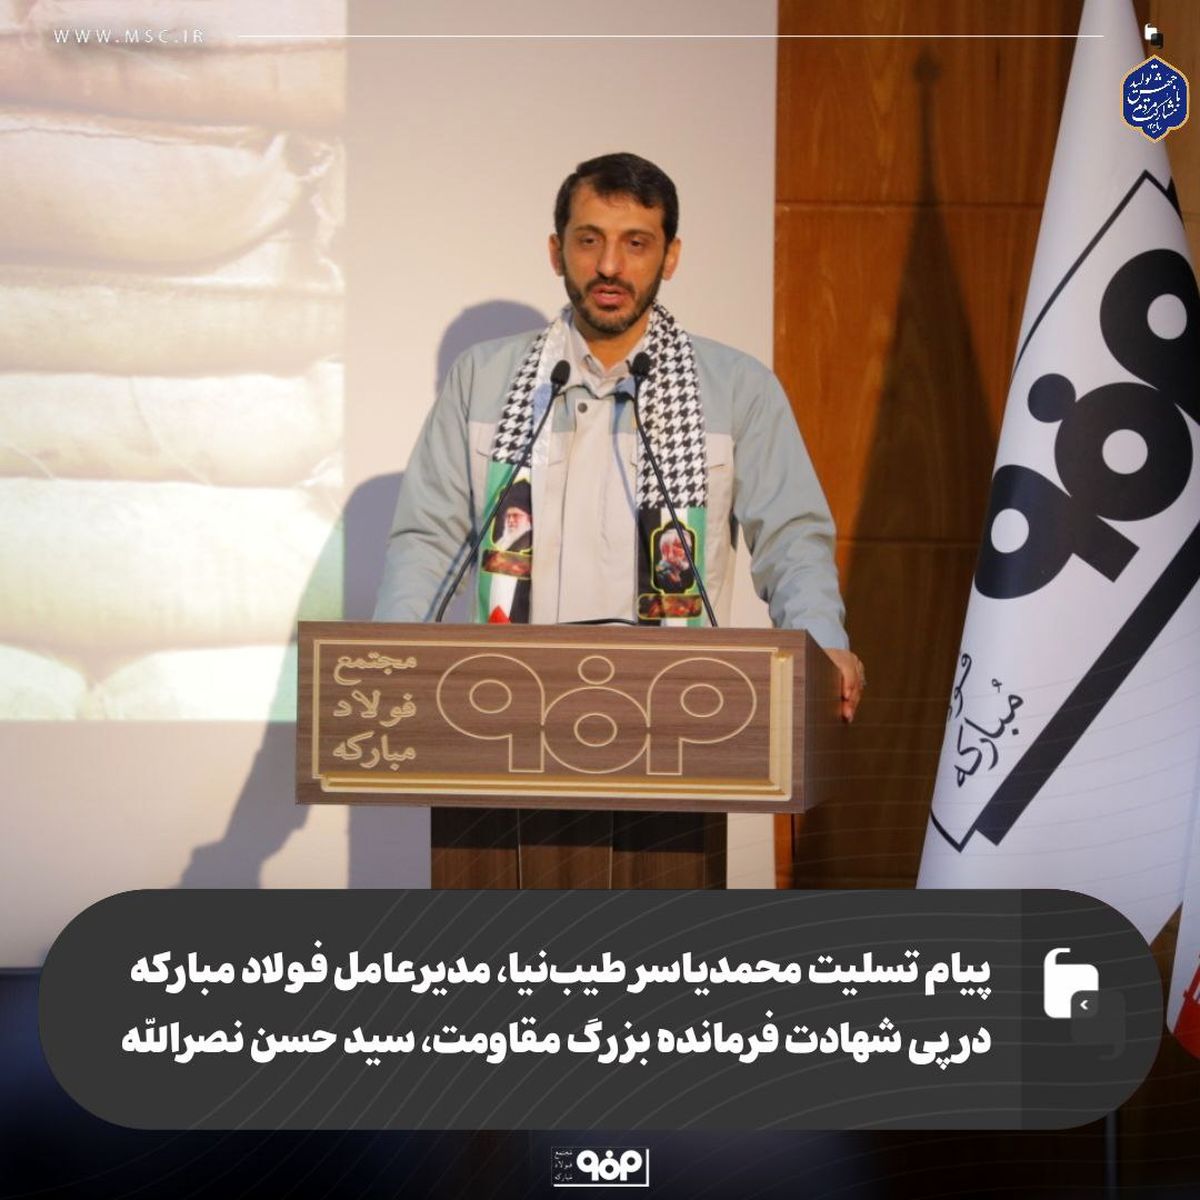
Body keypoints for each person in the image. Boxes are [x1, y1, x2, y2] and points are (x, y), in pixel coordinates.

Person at [375, 152, 864, 721]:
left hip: (679, 714)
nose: (610, 266)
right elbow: (429, 542)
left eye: (636, 243)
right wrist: (390, 662)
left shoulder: (738, 388)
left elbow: (791, 541)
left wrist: (822, 647)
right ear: (556, 251)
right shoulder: (482, 379)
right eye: (589, 241)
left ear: (670, 256)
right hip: (503, 708)